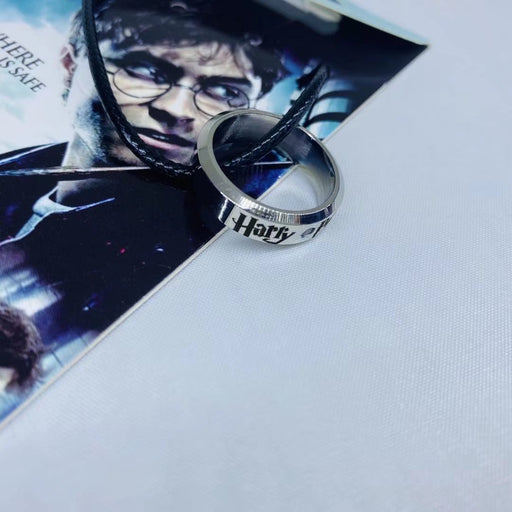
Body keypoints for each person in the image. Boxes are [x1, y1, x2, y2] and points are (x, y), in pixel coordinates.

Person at [0, 0, 295, 390]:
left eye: (224, 91)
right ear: (70, 66)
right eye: (143, 70)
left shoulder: (187, 257)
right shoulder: (13, 174)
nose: (176, 109)